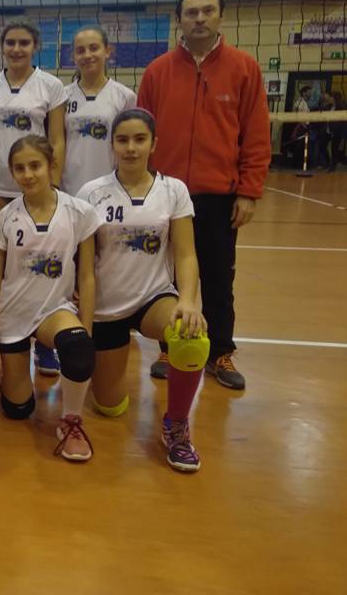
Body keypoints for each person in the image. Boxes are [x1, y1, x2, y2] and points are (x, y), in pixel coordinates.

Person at [137, 0, 270, 390]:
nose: (199, 18)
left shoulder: (244, 68)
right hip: (165, 193)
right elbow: (141, 132)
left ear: (220, 17)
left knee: (217, 278)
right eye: (191, 12)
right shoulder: (158, 71)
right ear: (179, 20)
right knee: (165, 276)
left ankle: (220, 352)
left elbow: (256, 134)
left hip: (218, 195)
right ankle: (169, 345)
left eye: (207, 11)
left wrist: (248, 190)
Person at [77, 109, 208, 472]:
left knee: (190, 335)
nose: (131, 148)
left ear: (153, 144)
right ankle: (105, 378)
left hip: (154, 298)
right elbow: (82, 261)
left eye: (139, 139)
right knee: (109, 407)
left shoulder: (173, 190)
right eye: (122, 140)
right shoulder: (91, 193)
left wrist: (188, 301)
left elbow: (186, 254)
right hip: (106, 308)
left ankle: (176, 425)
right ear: (112, 145)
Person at [0, 135, 101, 461]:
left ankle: (71, 421)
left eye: (35, 165)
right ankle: (18, 374)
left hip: (54, 310)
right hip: (12, 315)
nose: (28, 174)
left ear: (52, 166)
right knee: (18, 409)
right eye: (19, 168)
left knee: (78, 349)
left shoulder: (79, 212)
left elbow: (87, 276)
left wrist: (86, 330)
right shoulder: (7, 217)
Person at [0, 19, 68, 377]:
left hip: (34, 187)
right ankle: (0, 335)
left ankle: (45, 344)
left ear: (35, 46)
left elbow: (57, 138)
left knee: (38, 261)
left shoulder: (51, 85)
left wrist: (53, 183)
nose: (16, 49)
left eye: (23, 43)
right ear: (2, 47)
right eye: (10, 43)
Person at [61, 25, 137, 197]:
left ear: (107, 51)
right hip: (70, 188)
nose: (87, 55)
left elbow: (130, 146)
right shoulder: (62, 96)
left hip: (111, 189)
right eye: (80, 51)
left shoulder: (125, 96)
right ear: (73, 57)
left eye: (94, 48)